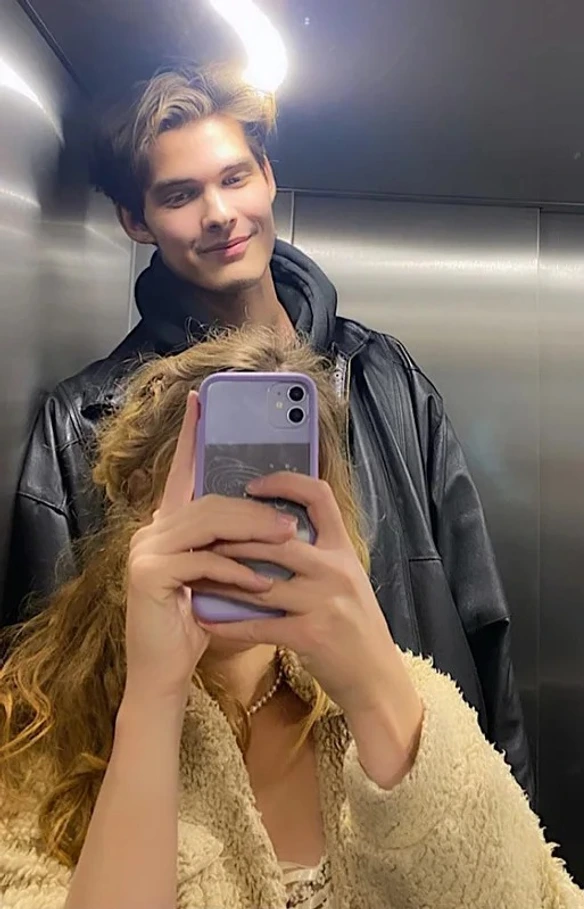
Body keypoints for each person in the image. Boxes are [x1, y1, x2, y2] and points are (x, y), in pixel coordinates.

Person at [2, 62, 532, 797]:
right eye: (180, 195)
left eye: (235, 177)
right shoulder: (87, 419)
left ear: (268, 177)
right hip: (209, 816)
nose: (219, 213)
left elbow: (482, 623)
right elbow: (49, 687)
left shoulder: (382, 375)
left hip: (409, 793)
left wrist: (504, 819)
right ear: (135, 221)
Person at [0, 327, 584, 909]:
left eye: (280, 495)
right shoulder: (40, 734)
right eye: (220, 484)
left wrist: (378, 696)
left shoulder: (410, 699)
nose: (245, 525)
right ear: (140, 496)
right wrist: (153, 699)